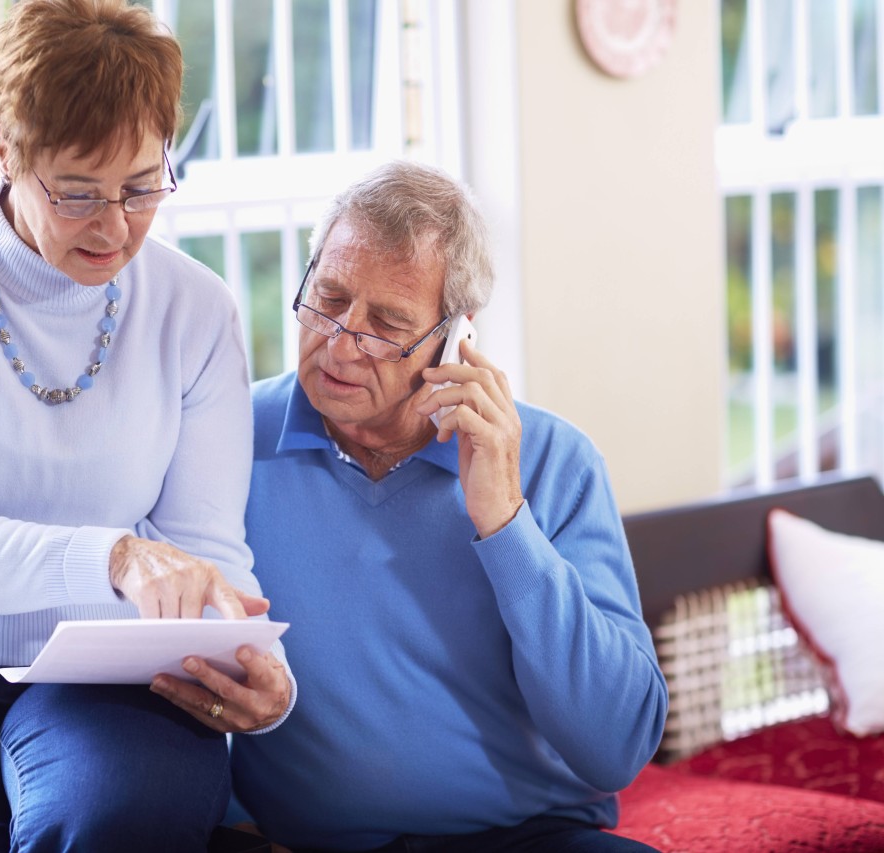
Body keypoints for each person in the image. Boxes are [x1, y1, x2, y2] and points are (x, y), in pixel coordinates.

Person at [0, 2, 293, 851]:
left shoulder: (197, 309)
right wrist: (115, 555)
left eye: (143, 186)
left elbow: (203, 542)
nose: (114, 227)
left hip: (115, 668)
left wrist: (259, 666)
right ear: (4, 146)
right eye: (77, 192)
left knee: (113, 816)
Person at [175, 160, 667, 851]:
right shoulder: (226, 434)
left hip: (527, 838)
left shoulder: (556, 460)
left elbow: (616, 747)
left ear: (453, 334)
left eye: (385, 323)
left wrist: (504, 521)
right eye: (330, 297)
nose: (341, 343)